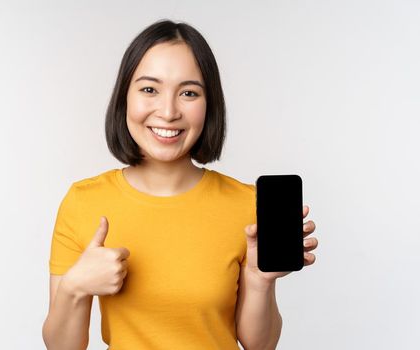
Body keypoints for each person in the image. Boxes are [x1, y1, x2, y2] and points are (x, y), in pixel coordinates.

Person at [41, 19, 320, 350]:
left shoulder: (245, 204)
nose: (169, 111)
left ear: (209, 104)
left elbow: (260, 345)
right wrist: (75, 287)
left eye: (189, 93)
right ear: (124, 98)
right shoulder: (83, 202)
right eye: (149, 89)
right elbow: (62, 347)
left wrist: (259, 281)